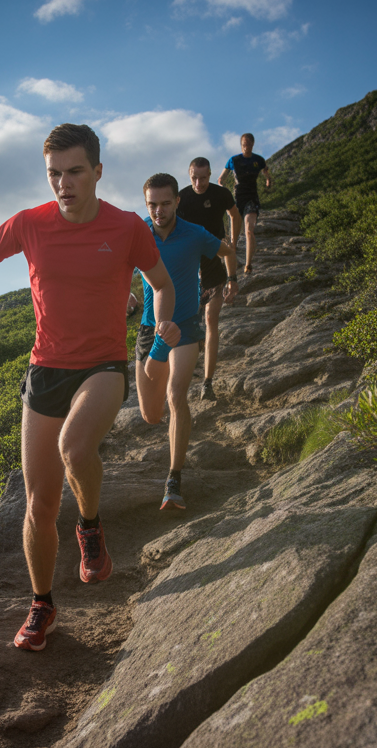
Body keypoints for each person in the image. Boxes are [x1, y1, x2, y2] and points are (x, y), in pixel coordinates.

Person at [0, 124, 179, 653]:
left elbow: (160, 283)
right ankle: (42, 604)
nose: (63, 184)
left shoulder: (126, 227)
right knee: (39, 504)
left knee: (74, 447)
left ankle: (89, 525)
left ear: (98, 171)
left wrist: (160, 323)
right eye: (54, 174)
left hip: (103, 366)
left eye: (75, 172)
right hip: (45, 369)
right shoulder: (29, 224)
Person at [133, 173, 237, 510]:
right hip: (150, 330)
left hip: (186, 325)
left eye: (166, 203)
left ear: (177, 201)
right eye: (152, 205)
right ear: (146, 204)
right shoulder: (138, 233)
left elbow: (226, 250)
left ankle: (173, 480)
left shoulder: (194, 233)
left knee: (176, 394)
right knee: (151, 415)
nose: (159, 211)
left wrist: (232, 278)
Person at [176, 157, 241, 401]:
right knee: (187, 324)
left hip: (215, 257)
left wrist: (234, 242)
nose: (198, 182)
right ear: (189, 175)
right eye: (194, 177)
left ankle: (207, 382)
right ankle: (185, 370)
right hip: (190, 264)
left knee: (211, 319)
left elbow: (235, 216)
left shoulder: (220, 193)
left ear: (210, 175)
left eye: (203, 178)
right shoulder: (181, 198)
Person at [219, 133, 271, 274]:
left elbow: (266, 172)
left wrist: (268, 180)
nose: (246, 147)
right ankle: (231, 269)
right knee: (233, 239)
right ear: (241, 144)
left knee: (249, 230)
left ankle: (248, 265)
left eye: (248, 144)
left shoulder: (258, 160)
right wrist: (224, 190)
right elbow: (221, 179)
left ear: (252, 144)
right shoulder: (234, 160)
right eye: (243, 144)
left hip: (251, 198)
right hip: (237, 199)